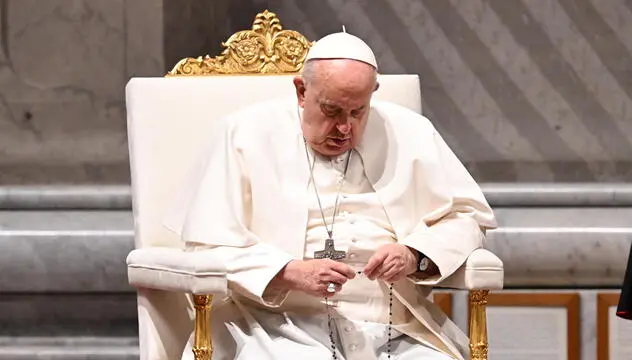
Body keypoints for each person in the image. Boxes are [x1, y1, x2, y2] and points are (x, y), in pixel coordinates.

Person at [165, 31, 497, 360]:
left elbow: (466, 218)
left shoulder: (412, 132)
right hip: (273, 326)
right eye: (332, 110)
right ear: (301, 91)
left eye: (358, 112)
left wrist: (413, 254)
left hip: (393, 327)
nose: (345, 128)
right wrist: (288, 272)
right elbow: (206, 247)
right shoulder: (243, 134)